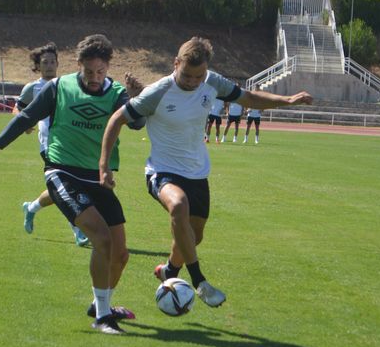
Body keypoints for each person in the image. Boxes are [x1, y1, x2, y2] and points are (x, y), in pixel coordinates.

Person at [100, 37, 312, 309]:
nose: (192, 81)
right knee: (178, 206)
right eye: (186, 75)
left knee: (193, 237)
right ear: (176, 64)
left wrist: (288, 100)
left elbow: (248, 98)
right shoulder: (158, 91)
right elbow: (117, 119)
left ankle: (169, 270)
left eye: (198, 76)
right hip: (162, 171)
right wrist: (104, 166)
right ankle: (199, 281)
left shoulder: (212, 82)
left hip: (197, 174)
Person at [0, 34, 144, 335]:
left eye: (100, 71)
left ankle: (99, 304)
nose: (94, 78)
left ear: (108, 67)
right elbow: (23, 120)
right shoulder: (59, 88)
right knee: (102, 239)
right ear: (78, 64)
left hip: (99, 179)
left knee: (121, 254)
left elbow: (138, 124)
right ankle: (103, 317)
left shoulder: (116, 92)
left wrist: (136, 99)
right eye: (88, 71)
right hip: (63, 172)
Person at [16, 42, 90, 247]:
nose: (49, 66)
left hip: (70, 142)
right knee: (68, 188)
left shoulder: (67, 84)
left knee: (65, 187)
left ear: (58, 64)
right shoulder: (32, 88)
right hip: (49, 145)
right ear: (38, 66)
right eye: (44, 62)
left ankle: (31, 207)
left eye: (52, 62)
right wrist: (25, 124)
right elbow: (19, 109)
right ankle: (78, 229)